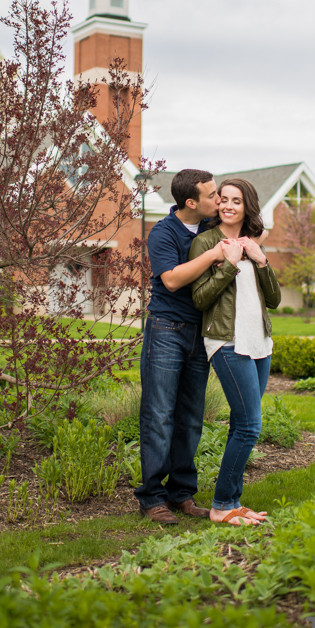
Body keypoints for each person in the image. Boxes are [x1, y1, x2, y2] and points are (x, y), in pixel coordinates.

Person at [134, 168, 227, 524]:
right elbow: (171, 280)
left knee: (190, 416)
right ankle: (152, 498)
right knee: (159, 415)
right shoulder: (163, 232)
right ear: (191, 202)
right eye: (212, 195)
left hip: (200, 333)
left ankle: (181, 494)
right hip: (167, 330)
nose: (218, 200)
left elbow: (254, 223)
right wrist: (212, 254)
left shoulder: (209, 226)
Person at [189, 177, 280, 526]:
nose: (227, 205)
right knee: (250, 427)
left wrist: (260, 260)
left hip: (259, 342)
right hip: (226, 342)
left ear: (247, 206)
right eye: (223, 199)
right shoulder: (206, 243)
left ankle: (232, 501)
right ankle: (222, 505)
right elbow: (200, 299)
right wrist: (228, 262)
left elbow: (273, 299)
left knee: (241, 425)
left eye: (236, 200)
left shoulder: (253, 243)